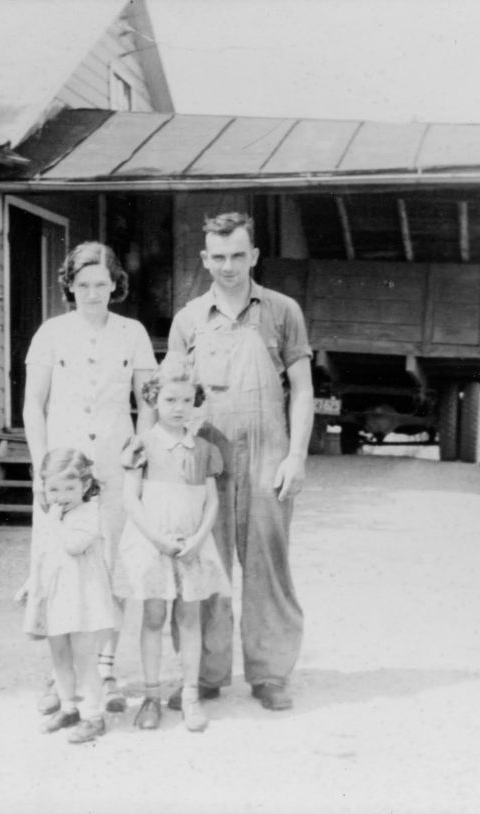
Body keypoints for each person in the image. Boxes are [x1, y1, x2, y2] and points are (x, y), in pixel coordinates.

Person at [167, 211, 314, 712]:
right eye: (218, 257)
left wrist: (296, 455)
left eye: (237, 255)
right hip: (208, 455)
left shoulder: (281, 310)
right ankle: (204, 674)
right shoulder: (188, 319)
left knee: (266, 565)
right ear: (205, 259)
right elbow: (169, 394)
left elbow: (303, 390)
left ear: (253, 256)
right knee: (205, 563)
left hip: (269, 452)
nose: (228, 266)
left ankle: (270, 673)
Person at [22, 242, 157, 714]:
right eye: (83, 286)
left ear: (115, 285)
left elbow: (149, 402)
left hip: (115, 465)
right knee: (60, 568)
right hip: (63, 470)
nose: (93, 294)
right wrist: (42, 471)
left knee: (110, 567)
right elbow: (32, 406)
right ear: (70, 286)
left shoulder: (133, 333)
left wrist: (140, 450)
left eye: (102, 285)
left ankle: (105, 670)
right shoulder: (51, 333)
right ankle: (59, 679)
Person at [112, 356, 229, 733]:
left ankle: (191, 694)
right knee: (153, 617)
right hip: (153, 544)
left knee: (189, 618)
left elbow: (211, 501)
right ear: (153, 400)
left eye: (186, 400)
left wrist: (198, 539)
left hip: (191, 544)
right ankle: (150, 695)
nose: (178, 408)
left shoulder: (205, 449)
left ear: (196, 401)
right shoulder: (140, 445)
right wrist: (159, 540)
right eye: (169, 401)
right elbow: (130, 500)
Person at [20, 449, 115, 744]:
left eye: (70, 488)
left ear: (85, 486)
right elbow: (45, 555)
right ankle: (69, 706)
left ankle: (94, 715)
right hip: (57, 595)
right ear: (44, 488)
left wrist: (52, 521)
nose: (61, 496)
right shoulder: (54, 516)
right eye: (54, 489)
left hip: (83, 598)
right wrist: (30, 583)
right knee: (59, 654)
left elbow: (73, 545)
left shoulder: (89, 513)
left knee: (84, 657)